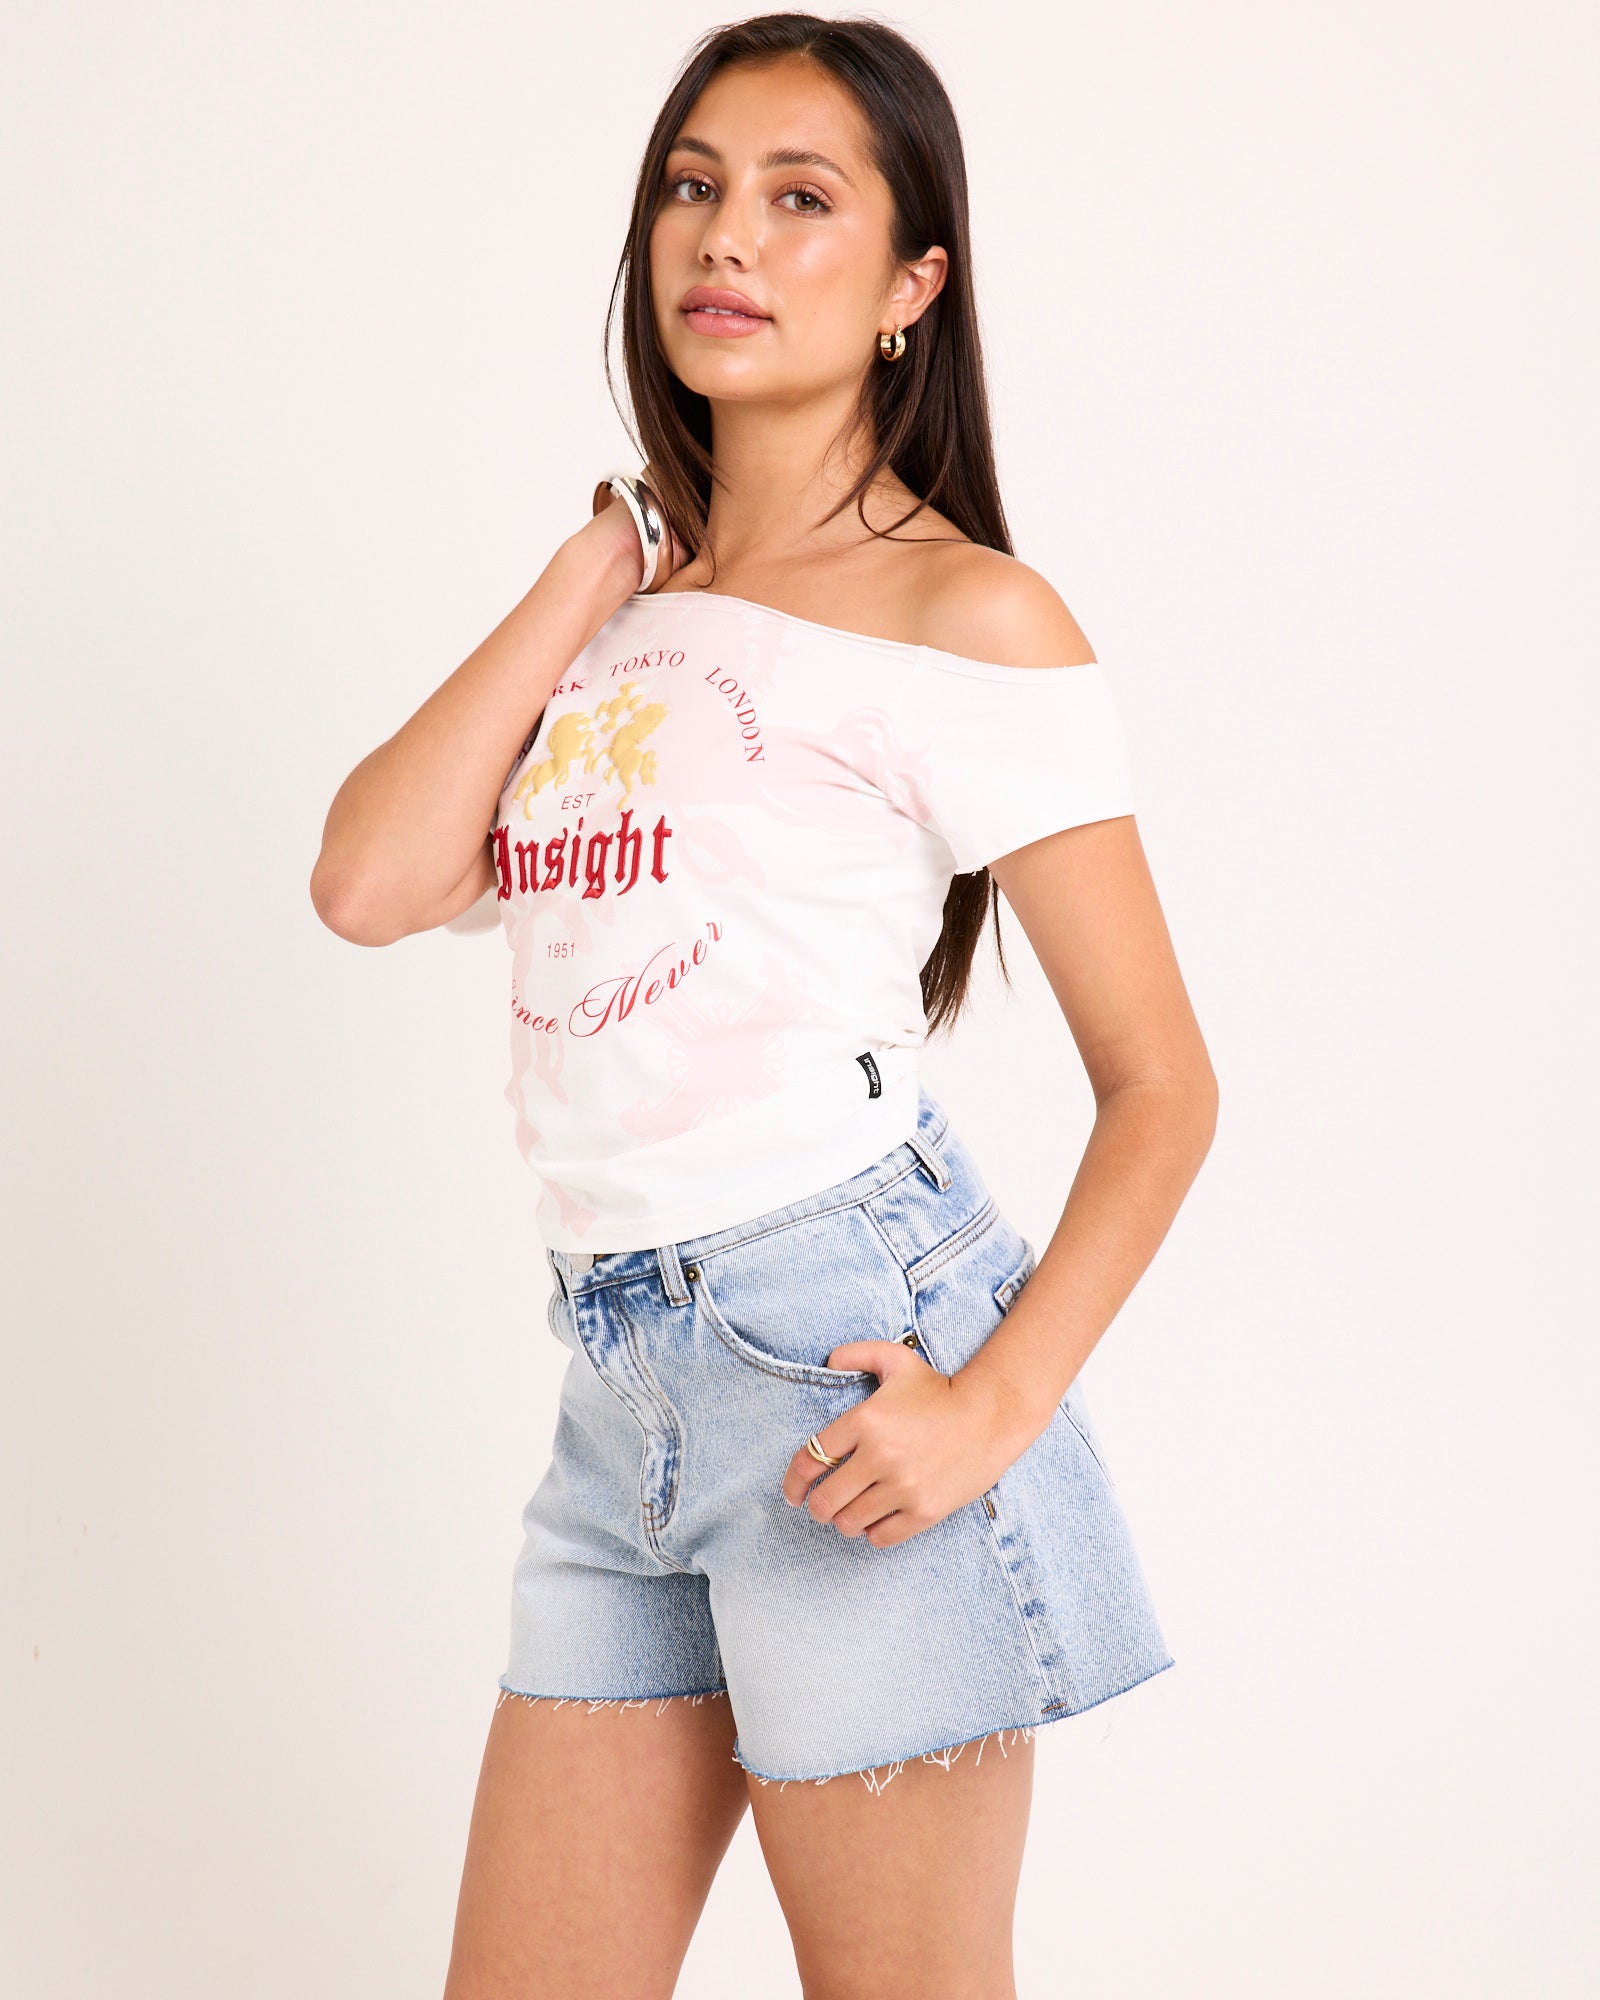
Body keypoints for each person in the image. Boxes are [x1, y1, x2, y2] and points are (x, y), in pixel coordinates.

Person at [310, 13, 1217, 1998]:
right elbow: (368, 882)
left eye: (802, 199)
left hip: (843, 1355)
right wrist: (599, 561)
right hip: (618, 1388)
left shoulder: (967, 617)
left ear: (912, 287)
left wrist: (992, 1408)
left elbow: (1163, 1082)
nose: (726, 235)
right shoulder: (616, 619)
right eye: (694, 186)